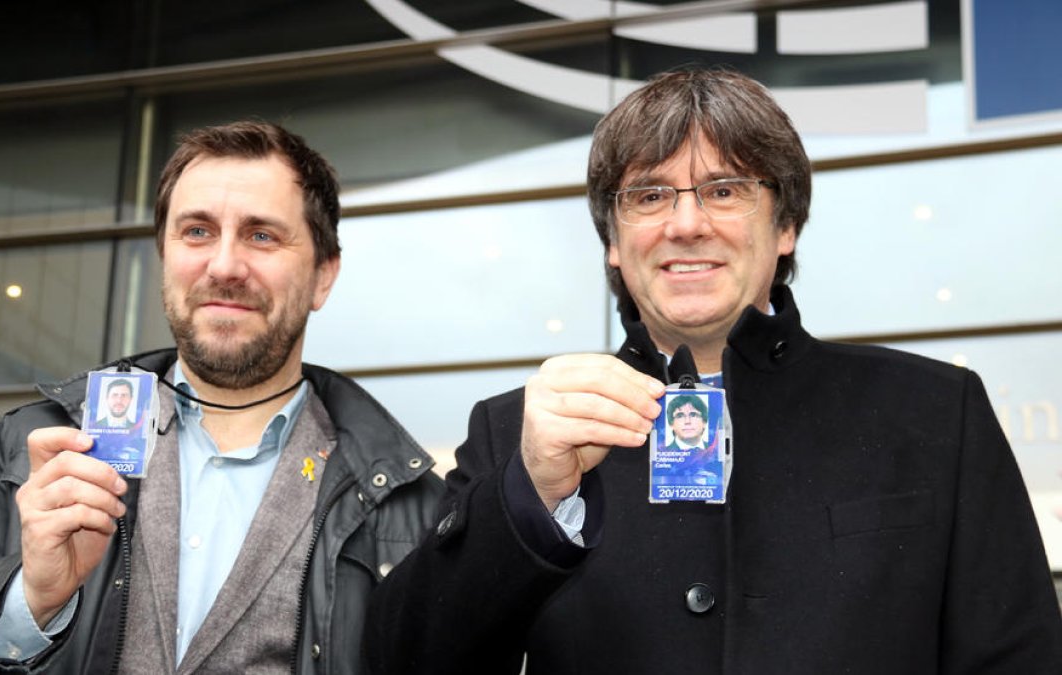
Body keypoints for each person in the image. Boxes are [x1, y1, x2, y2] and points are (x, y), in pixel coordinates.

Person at [363, 67, 1062, 674]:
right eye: (649, 195)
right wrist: (527, 496)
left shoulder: (937, 412)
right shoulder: (518, 431)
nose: (687, 223)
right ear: (613, 240)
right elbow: (405, 661)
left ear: (785, 227)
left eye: (725, 190)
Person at [0, 121, 443, 674]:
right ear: (165, 257)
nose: (224, 265)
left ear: (323, 276)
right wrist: (27, 597)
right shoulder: (35, 447)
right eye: (197, 232)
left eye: (261, 235)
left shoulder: (410, 506)